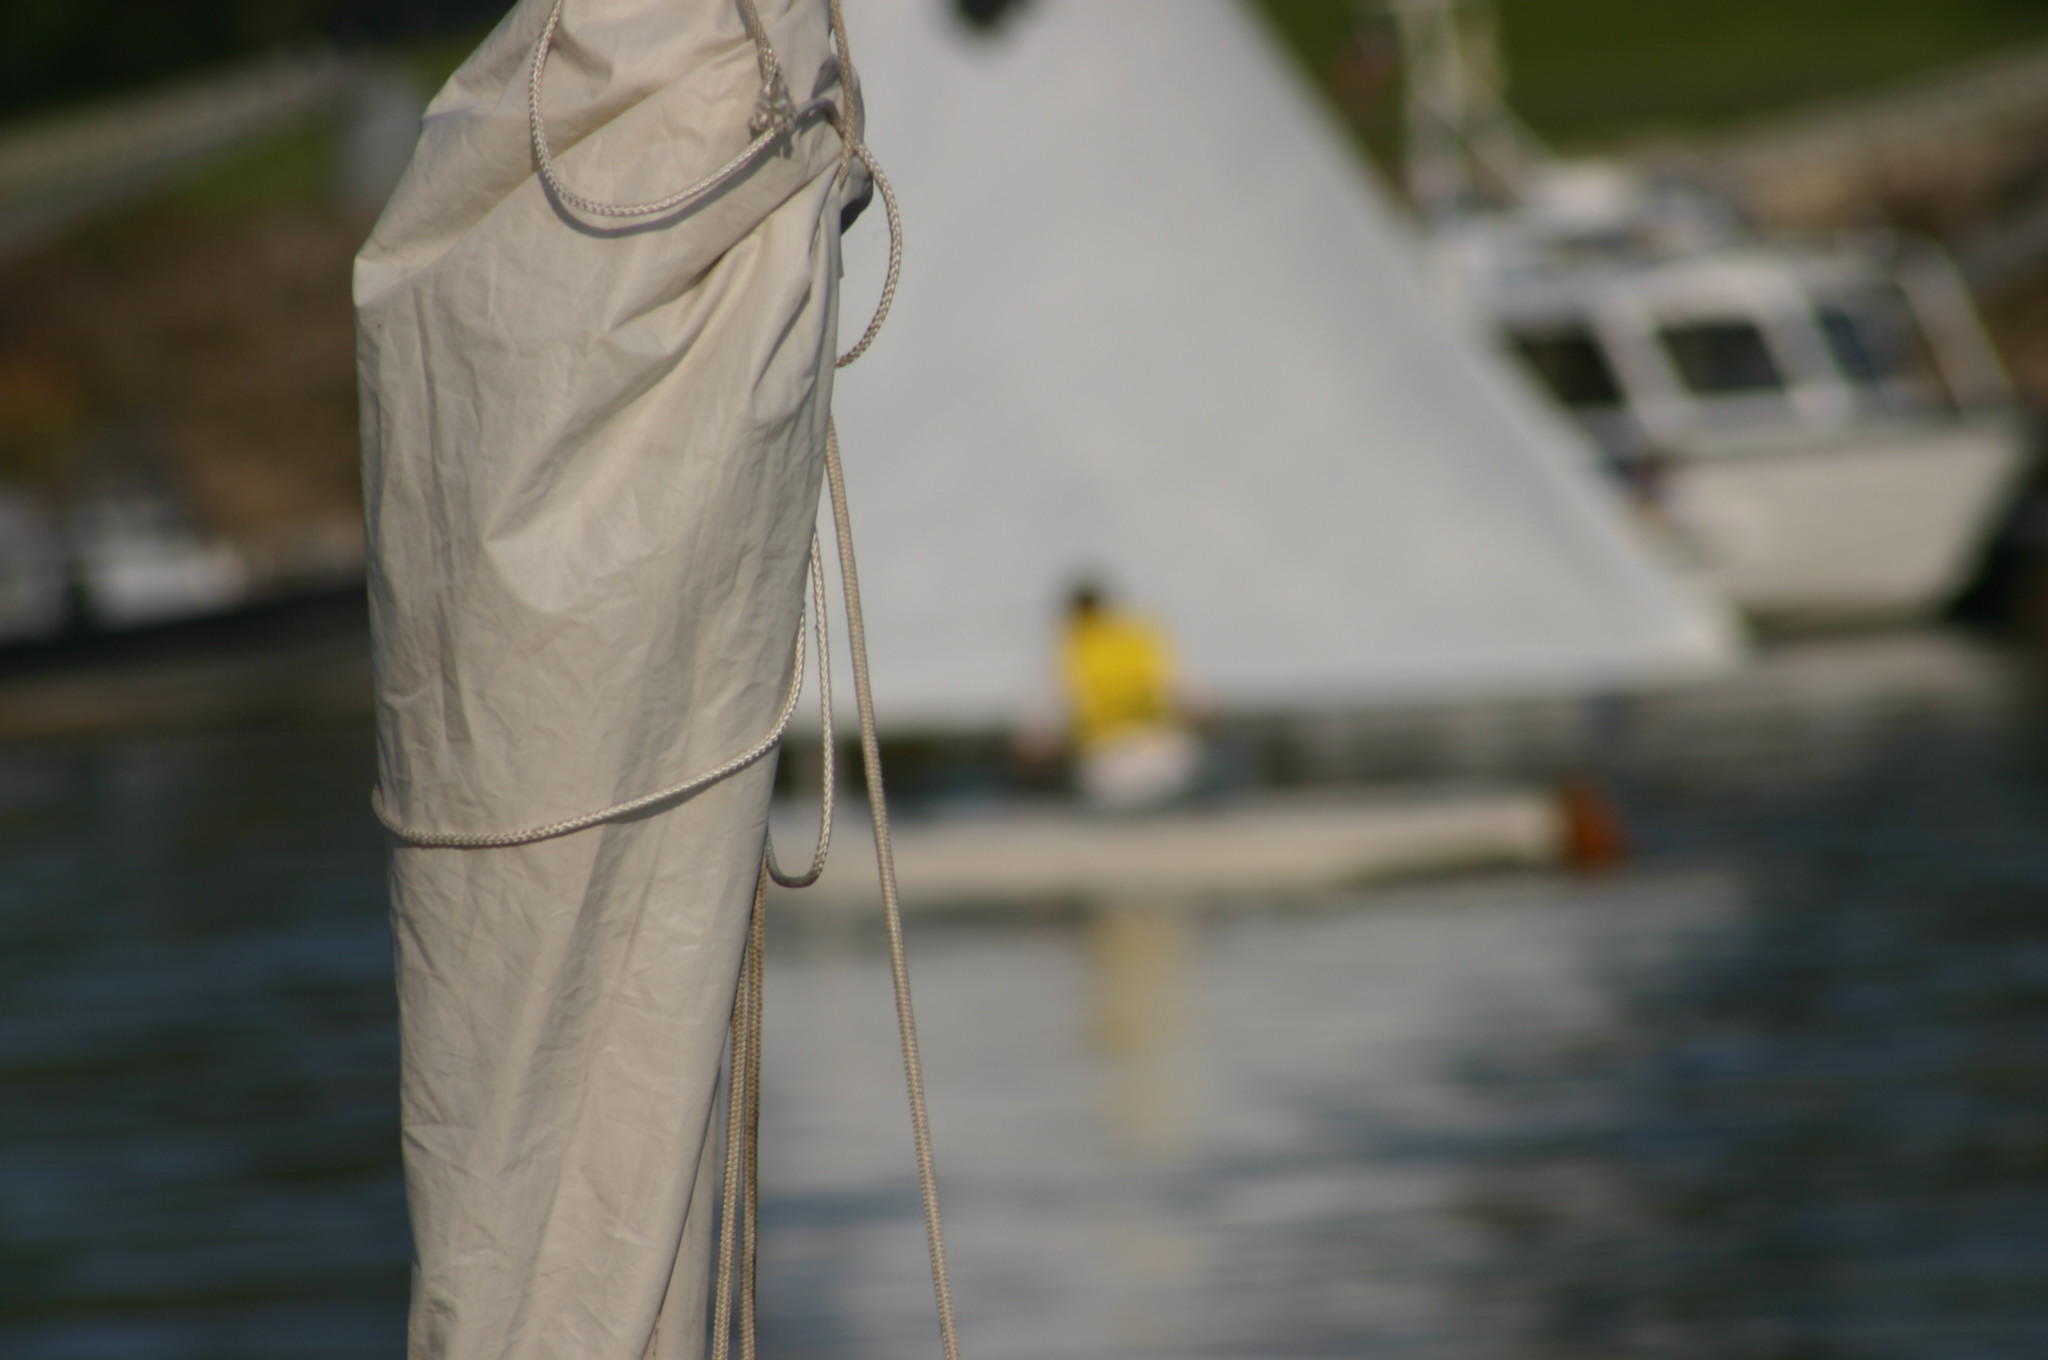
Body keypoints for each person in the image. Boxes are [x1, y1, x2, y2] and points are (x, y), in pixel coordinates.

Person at [1060, 580, 1203, 810]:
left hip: (1109, 758)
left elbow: (1049, 715)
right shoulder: (1139, 637)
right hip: (1160, 750)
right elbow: (1183, 690)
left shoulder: (1074, 647)